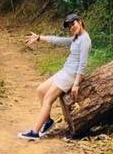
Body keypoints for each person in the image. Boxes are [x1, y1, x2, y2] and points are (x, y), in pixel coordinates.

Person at [17, 13, 91, 141]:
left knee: (47, 99)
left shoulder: (85, 40)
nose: (71, 27)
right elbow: (60, 40)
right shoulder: (77, 37)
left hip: (70, 75)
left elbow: (82, 64)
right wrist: (39, 37)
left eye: (73, 24)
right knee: (40, 90)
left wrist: (76, 84)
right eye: (69, 26)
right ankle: (48, 121)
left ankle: (34, 132)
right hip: (65, 70)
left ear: (80, 22)